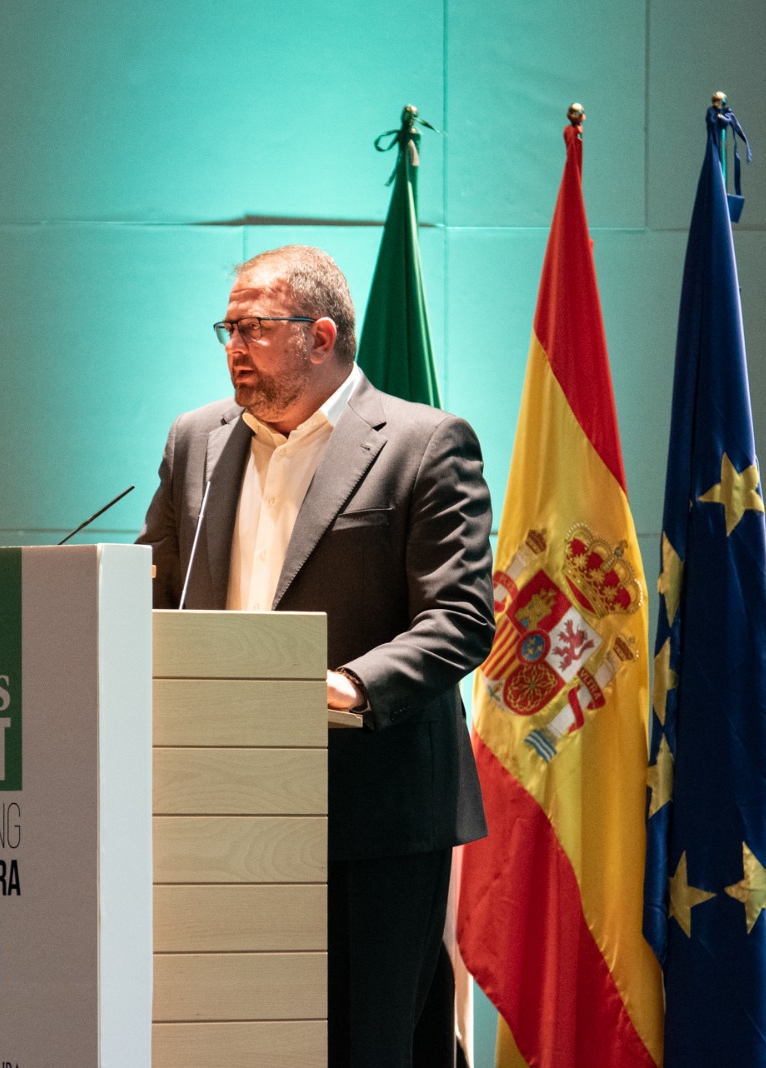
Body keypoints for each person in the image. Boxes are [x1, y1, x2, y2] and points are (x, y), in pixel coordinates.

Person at [137, 245, 492, 1066]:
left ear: (321, 335)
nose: (232, 344)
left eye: (252, 327)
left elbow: (461, 617)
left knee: (366, 1042)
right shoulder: (197, 440)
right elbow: (147, 589)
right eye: (227, 327)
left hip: (372, 808)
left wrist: (345, 687)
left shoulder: (423, 442)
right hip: (216, 803)